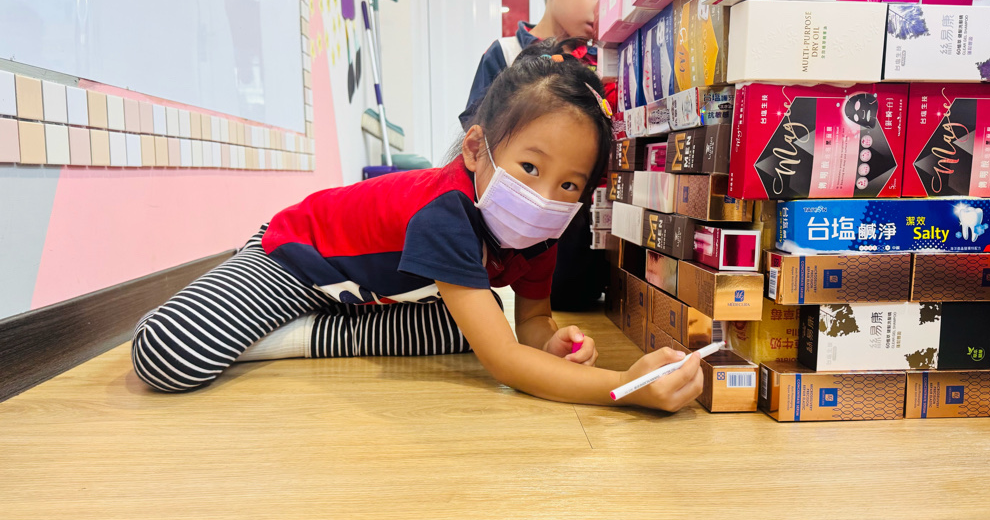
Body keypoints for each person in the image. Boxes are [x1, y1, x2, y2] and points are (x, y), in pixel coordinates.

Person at [131, 40, 702, 413]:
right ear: (475, 149)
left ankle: (302, 330)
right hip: (297, 258)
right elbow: (506, 364)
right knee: (167, 352)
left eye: (570, 185)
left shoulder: (542, 233)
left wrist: (549, 342)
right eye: (529, 168)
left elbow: (529, 323)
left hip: (369, 292)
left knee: (468, 327)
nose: (544, 198)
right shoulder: (446, 214)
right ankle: (287, 335)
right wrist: (627, 387)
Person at [460, 0, 633, 312]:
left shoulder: (607, 66)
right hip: (519, 244)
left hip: (586, 241)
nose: (604, 8)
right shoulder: (504, 54)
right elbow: (478, 142)